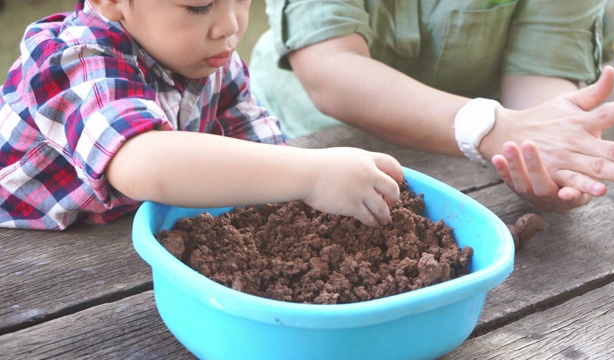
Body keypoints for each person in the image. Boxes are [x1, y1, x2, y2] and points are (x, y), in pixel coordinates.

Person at [0, 0, 404, 230]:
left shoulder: (210, 60)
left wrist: (326, 187)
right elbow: (143, 163)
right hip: (31, 240)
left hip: (121, 225)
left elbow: (261, 145)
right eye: (198, 5)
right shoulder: (74, 58)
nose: (229, 26)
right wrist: (314, 174)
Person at [249, 0, 614, 214]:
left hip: (464, 167)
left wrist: (550, 160)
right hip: (301, 137)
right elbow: (329, 67)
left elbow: (538, 76)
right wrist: (488, 126)